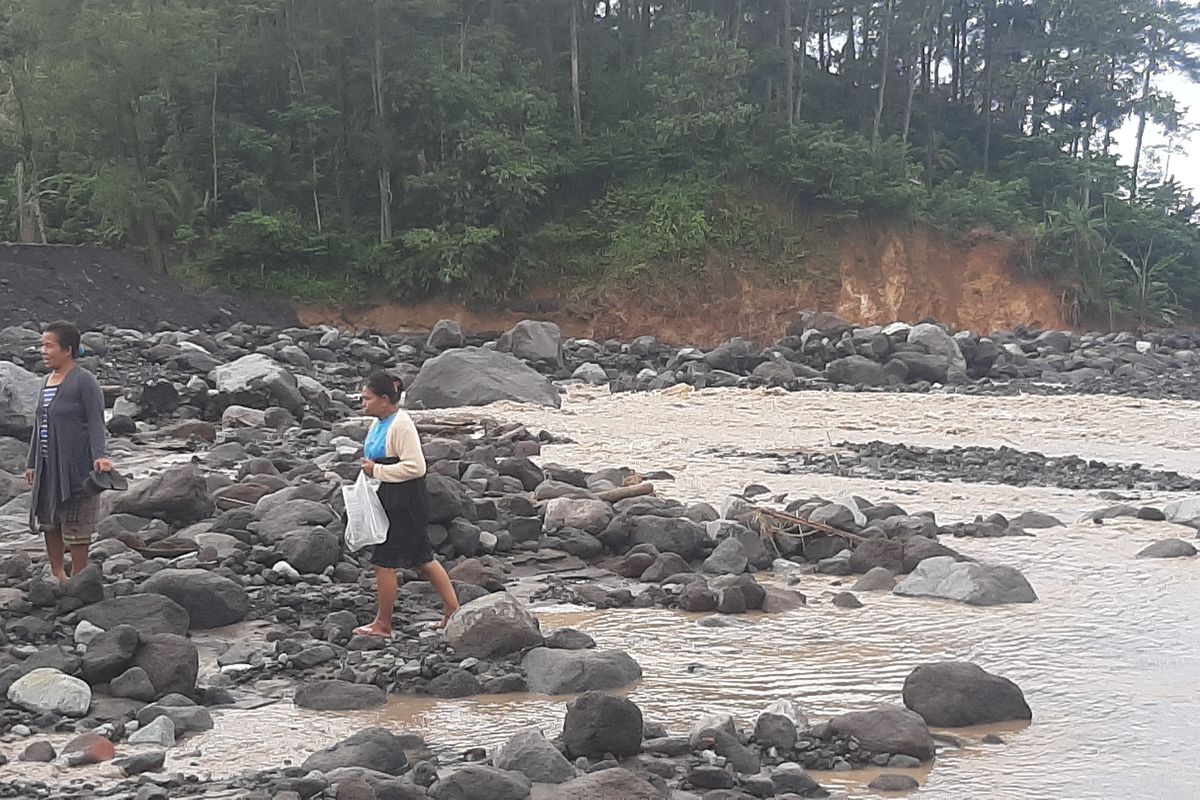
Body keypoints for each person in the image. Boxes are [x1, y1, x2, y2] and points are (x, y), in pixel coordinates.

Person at [355, 372, 459, 637]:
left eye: (367, 398)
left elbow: (416, 467)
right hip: (391, 498)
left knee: (384, 562)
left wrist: (376, 471)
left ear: (384, 399)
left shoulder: (401, 424)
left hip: (407, 502)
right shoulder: (378, 423)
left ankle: (383, 624)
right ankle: (454, 612)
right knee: (422, 558)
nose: (362, 403)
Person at [23, 321, 114, 581]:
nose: (43, 351)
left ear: (68, 350)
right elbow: (39, 423)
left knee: (76, 522)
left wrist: (100, 456)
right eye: (43, 345)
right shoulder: (45, 382)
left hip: (76, 466)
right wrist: (32, 463)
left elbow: (97, 421)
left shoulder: (84, 381)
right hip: (47, 466)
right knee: (49, 520)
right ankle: (57, 573)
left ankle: (80, 577)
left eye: (49, 346)